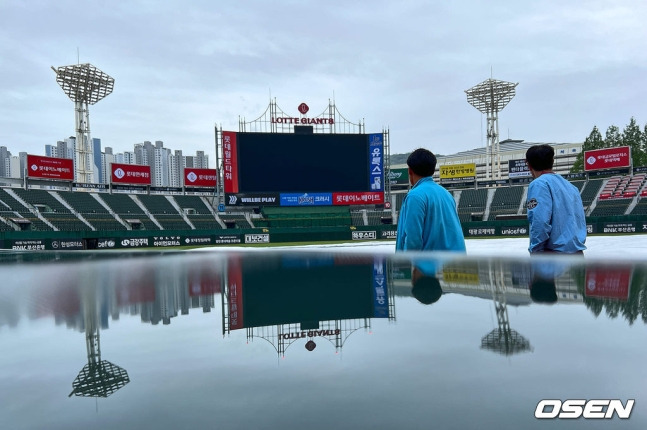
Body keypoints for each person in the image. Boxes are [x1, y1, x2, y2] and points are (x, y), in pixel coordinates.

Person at [395, 148, 466, 252]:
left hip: (430, 265)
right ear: (432, 170)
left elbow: (413, 240)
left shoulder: (415, 196)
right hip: (455, 262)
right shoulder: (446, 194)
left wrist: (405, 265)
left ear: (410, 171)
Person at [525, 144, 587, 254]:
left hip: (553, 256)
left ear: (529, 165)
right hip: (577, 253)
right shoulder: (571, 187)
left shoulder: (539, 184)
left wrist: (535, 251)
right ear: (552, 161)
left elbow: (540, 222)